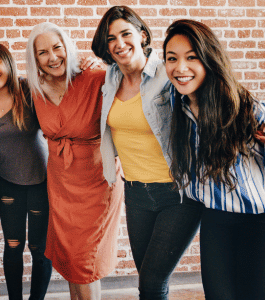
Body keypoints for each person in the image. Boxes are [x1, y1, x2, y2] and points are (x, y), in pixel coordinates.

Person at [90, 6, 204, 300]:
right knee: (150, 280)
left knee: (151, 283)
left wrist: (257, 119)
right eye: (111, 37)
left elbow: (211, 92)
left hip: (177, 194)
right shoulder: (109, 80)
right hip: (136, 193)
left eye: (125, 33)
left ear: (141, 35)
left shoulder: (167, 74)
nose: (119, 43)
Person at [164, 19, 265, 300]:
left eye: (191, 58)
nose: (180, 68)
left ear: (209, 60)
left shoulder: (246, 108)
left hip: (260, 222)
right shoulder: (179, 108)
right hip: (216, 219)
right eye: (171, 59)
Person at [25, 22, 123, 300]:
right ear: (35, 59)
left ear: (68, 47)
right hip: (61, 184)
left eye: (58, 47)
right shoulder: (35, 88)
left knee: (85, 262)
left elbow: (132, 79)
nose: (53, 57)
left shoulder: (95, 77)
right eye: (43, 52)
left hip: (96, 182)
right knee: (70, 260)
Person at [0, 42, 52, 300]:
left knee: (39, 249)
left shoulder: (29, 90)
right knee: (13, 246)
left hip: (42, 182)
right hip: (7, 183)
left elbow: (64, 93)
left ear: (7, 62)